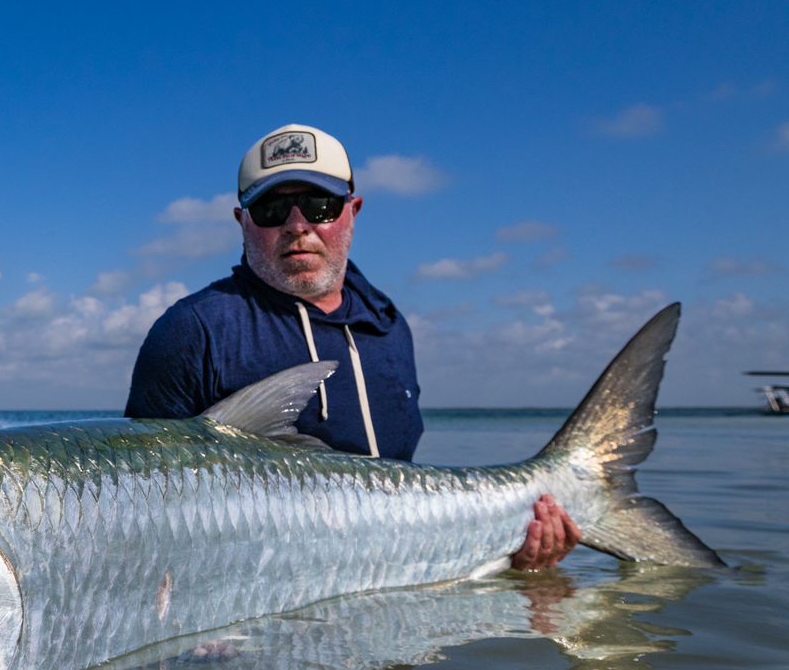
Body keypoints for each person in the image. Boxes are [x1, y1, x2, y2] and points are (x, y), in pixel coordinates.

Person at [125, 123, 579, 570]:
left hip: (397, 589)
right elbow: (139, 512)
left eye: (319, 206)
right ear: (242, 221)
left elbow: (402, 484)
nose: (297, 226)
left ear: (353, 210)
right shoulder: (192, 329)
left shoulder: (387, 325)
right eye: (271, 209)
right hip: (257, 604)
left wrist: (517, 545)